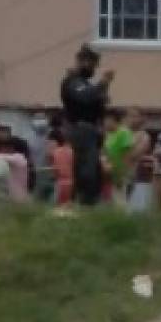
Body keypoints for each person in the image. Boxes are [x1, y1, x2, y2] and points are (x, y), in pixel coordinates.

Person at [60, 44, 113, 206]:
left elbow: (97, 104)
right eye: (91, 63)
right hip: (81, 132)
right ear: (82, 61)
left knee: (94, 178)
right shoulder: (72, 81)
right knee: (85, 176)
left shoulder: (87, 84)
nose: (93, 68)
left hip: (93, 135)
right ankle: (80, 206)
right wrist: (102, 84)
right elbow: (85, 97)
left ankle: (88, 207)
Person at [49, 127, 74, 206]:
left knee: (59, 207)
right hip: (71, 182)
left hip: (60, 183)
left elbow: (56, 171)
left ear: (55, 141)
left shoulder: (56, 152)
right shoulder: (70, 150)